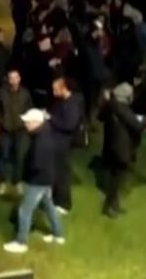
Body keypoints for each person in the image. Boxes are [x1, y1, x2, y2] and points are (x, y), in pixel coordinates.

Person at [3, 108, 64, 254]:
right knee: (49, 206)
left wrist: (25, 177)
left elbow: (36, 164)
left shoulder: (41, 140)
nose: (25, 124)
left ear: (37, 122)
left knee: (24, 210)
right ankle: (58, 234)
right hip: (47, 179)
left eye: (28, 122)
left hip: (37, 181)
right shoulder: (45, 133)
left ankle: (21, 242)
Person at [98, 83, 145, 218]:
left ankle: (114, 205)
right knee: (117, 180)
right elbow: (137, 125)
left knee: (114, 177)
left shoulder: (109, 105)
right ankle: (108, 207)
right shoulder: (122, 109)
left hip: (110, 145)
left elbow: (100, 117)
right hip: (120, 147)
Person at [0, 69, 32, 195]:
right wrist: (0, 121)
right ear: (7, 79)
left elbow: (29, 109)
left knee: (20, 156)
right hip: (5, 130)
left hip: (20, 130)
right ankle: (2, 181)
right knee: (4, 155)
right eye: (11, 78)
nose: (14, 80)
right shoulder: (1, 93)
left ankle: (17, 181)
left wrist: (25, 123)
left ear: (19, 78)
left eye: (16, 77)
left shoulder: (25, 94)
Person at [47, 77, 83, 214]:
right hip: (56, 141)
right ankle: (56, 199)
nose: (53, 91)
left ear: (64, 88)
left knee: (62, 173)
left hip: (63, 143)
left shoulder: (71, 104)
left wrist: (51, 119)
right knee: (55, 172)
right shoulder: (61, 102)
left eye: (55, 89)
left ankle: (64, 203)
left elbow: (70, 124)